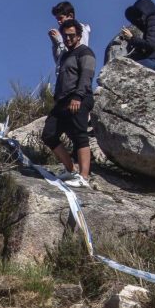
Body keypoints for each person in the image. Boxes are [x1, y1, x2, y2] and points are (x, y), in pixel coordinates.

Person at [42, 19, 96, 189]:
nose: (68, 39)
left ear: (79, 35)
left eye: (72, 35)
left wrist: (78, 97)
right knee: (49, 134)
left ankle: (84, 177)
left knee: (80, 134)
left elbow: (86, 76)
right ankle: (71, 170)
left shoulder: (85, 52)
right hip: (62, 101)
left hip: (78, 98)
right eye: (65, 36)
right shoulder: (65, 55)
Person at [122, 0, 155, 75]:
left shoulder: (153, 20)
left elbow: (150, 44)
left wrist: (132, 38)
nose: (137, 21)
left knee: (123, 69)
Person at [48, 1, 90, 68]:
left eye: (61, 18)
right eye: (57, 19)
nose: (58, 22)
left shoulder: (80, 30)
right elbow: (59, 62)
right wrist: (55, 44)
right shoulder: (62, 35)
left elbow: (78, 53)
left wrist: (59, 40)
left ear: (70, 16)